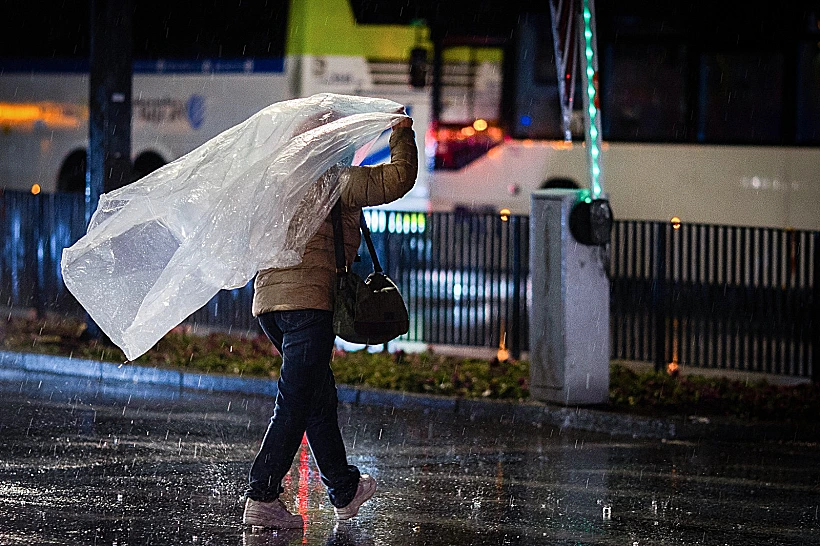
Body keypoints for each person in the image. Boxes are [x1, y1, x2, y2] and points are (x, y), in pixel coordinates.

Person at [243, 112, 417, 528]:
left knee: (317, 402)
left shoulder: (277, 182)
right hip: (308, 306)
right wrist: (401, 131)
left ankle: (344, 490)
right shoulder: (332, 179)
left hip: (271, 306)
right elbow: (398, 179)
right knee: (295, 404)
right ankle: (262, 494)